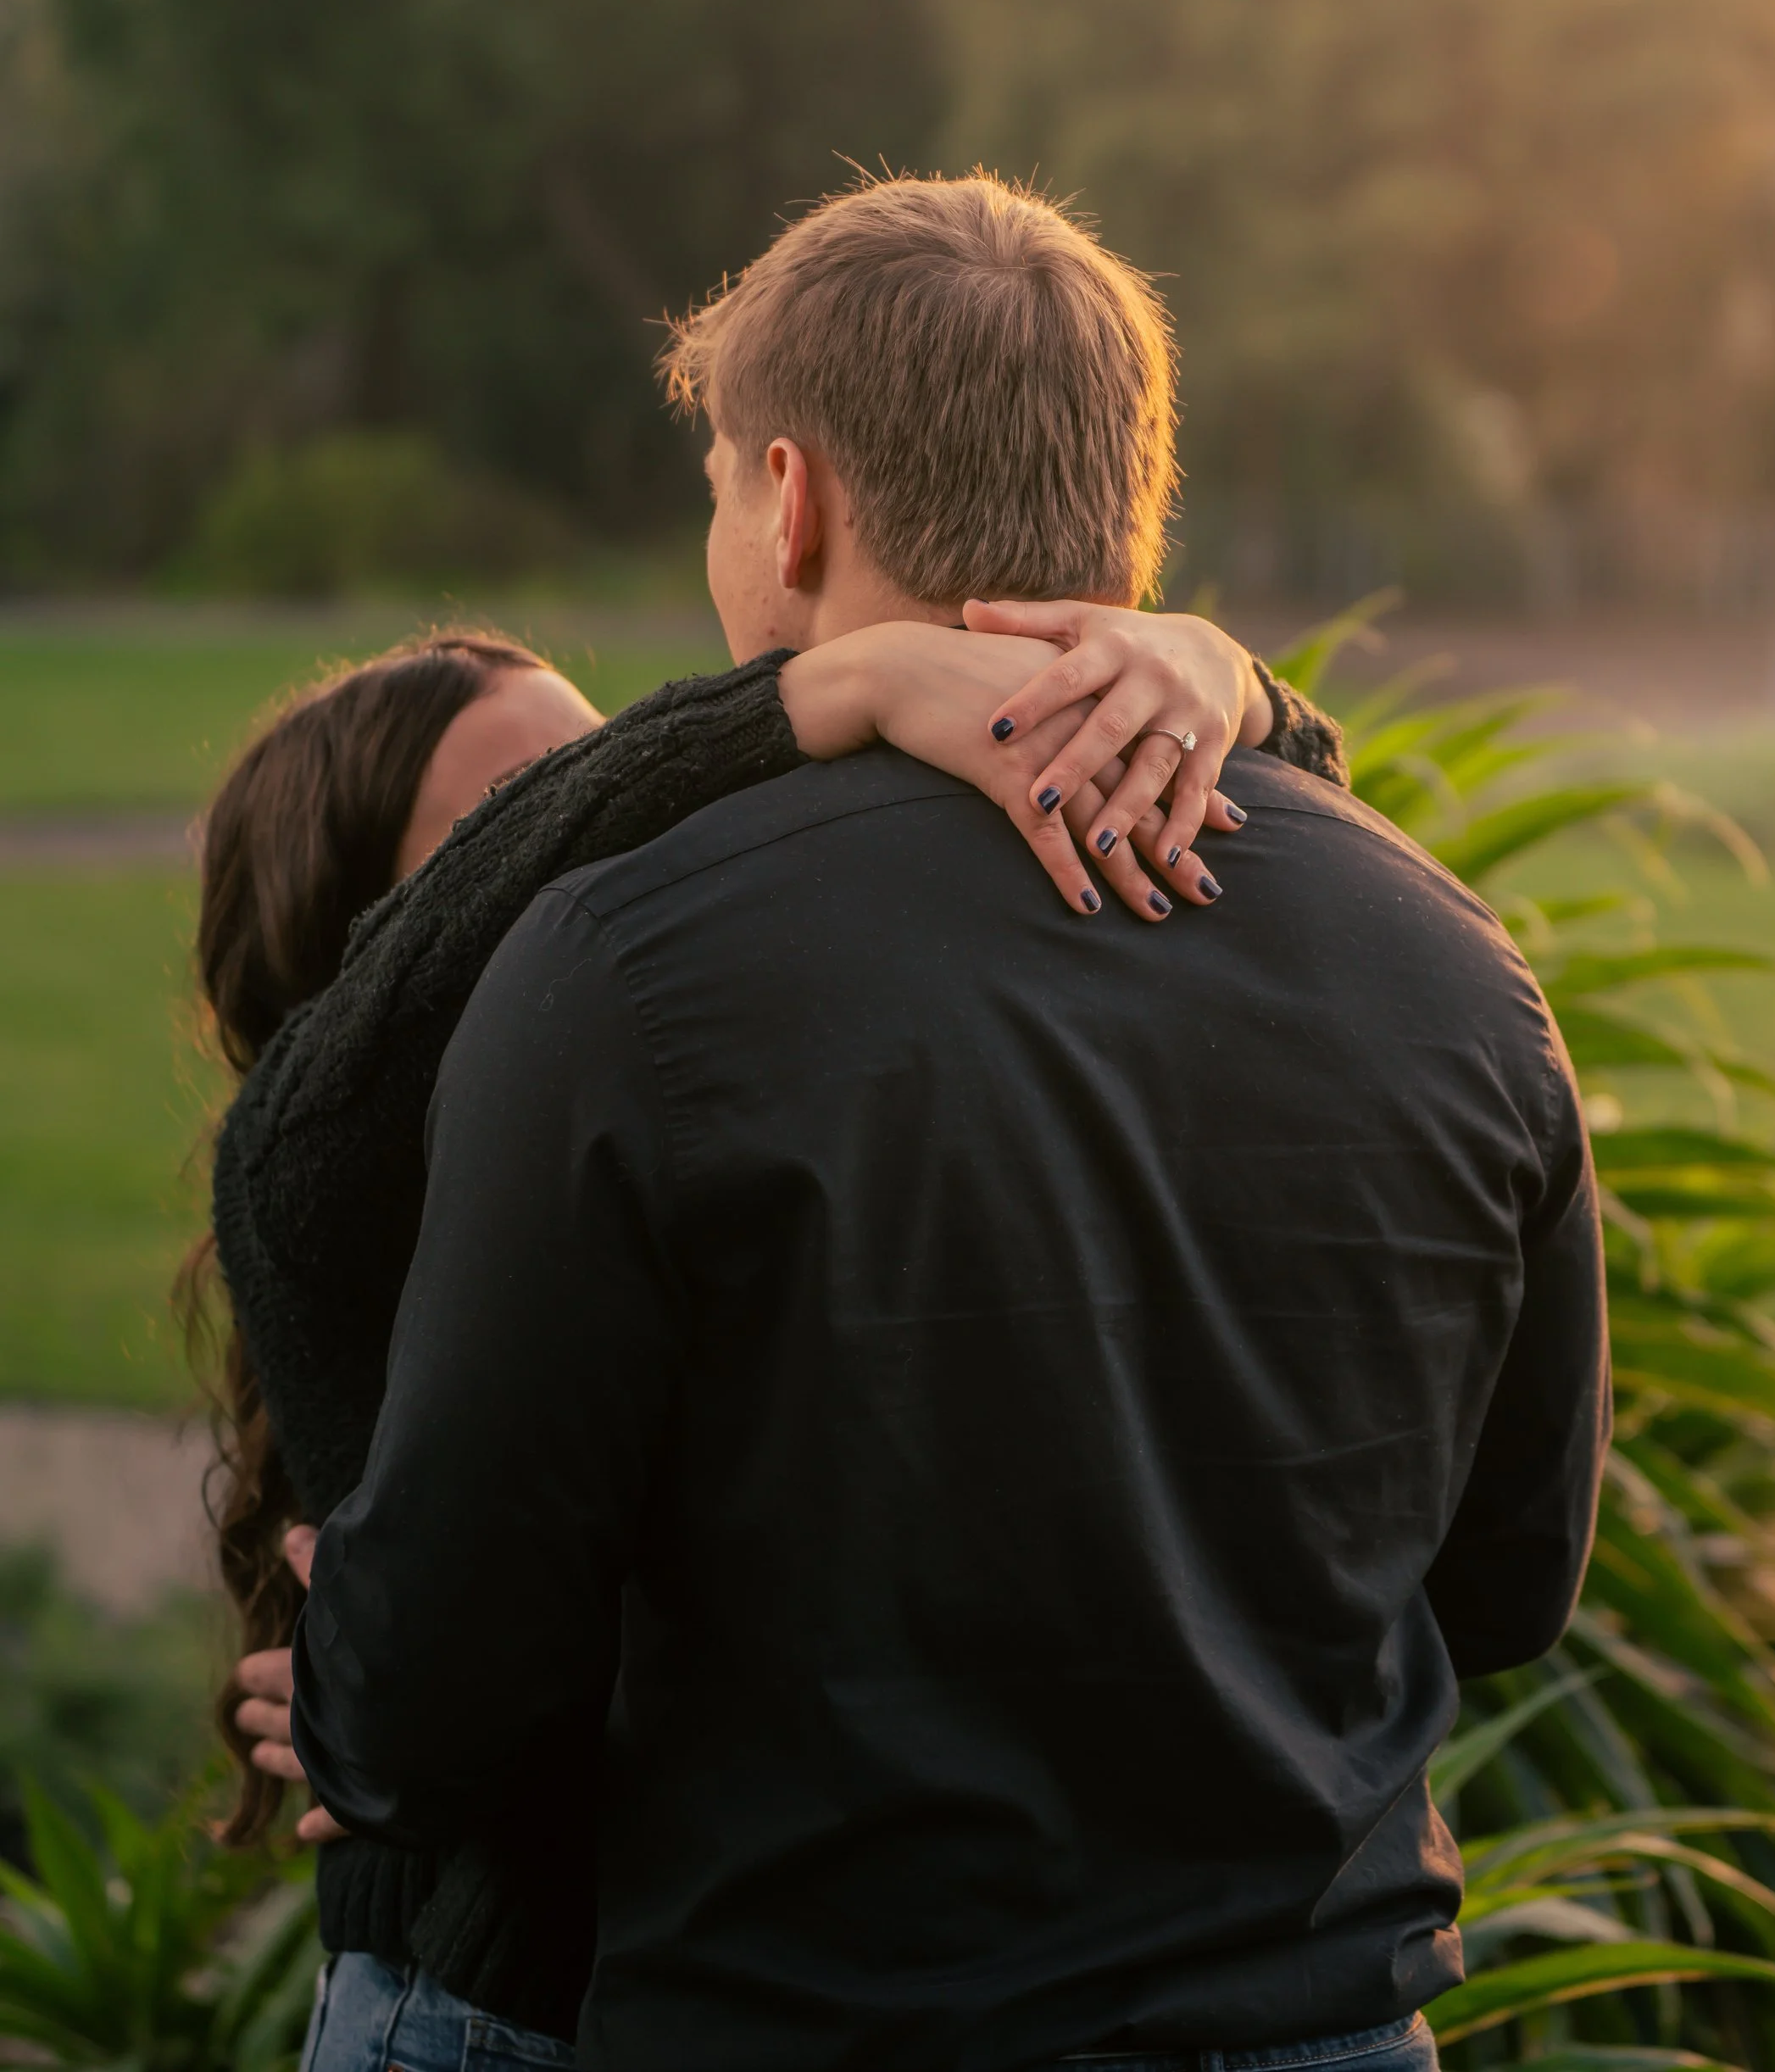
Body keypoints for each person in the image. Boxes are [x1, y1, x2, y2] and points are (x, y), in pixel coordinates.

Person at [289, 175, 1611, 2072]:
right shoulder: (1459, 971)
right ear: (1122, 503)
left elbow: (434, 1697)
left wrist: (352, 1678)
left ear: (789, 493)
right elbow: (1503, 1582)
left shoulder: (629, 964)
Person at [198, 585, 1340, 2062]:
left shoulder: (673, 1128)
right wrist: (828, 683)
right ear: (365, 953)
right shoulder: (316, 1188)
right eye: (510, 831)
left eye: (599, 787)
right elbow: (521, 1695)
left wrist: (1225, 686)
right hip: (480, 2015)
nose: (590, 852)